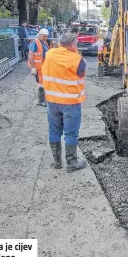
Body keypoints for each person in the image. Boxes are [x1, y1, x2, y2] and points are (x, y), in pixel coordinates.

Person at [41, 32, 87, 172]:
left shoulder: (49, 54)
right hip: (70, 103)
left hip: (52, 102)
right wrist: (75, 52)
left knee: (54, 131)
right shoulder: (77, 60)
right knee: (71, 134)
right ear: (73, 45)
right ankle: (72, 163)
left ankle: (57, 163)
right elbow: (82, 72)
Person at [29, 28, 50, 107]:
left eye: (46, 36)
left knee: (43, 83)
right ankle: (41, 101)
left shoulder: (44, 42)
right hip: (37, 67)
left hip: (43, 66)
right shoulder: (35, 43)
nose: (45, 38)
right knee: (41, 84)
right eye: (44, 36)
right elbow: (30, 56)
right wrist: (33, 67)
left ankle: (43, 99)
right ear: (40, 35)